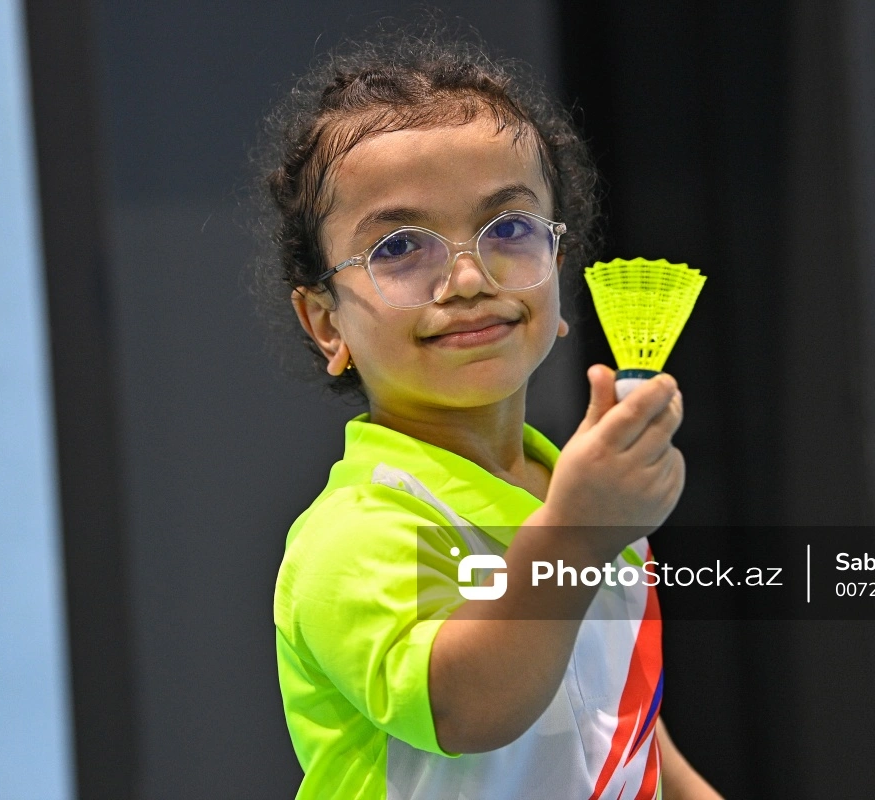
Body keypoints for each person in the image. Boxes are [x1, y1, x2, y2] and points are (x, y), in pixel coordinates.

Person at [260, 23, 723, 800]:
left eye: (509, 229)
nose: (470, 277)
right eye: (400, 247)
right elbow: (471, 707)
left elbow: (618, 725)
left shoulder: (576, 494)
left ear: (557, 268)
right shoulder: (360, 534)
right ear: (326, 323)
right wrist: (576, 534)